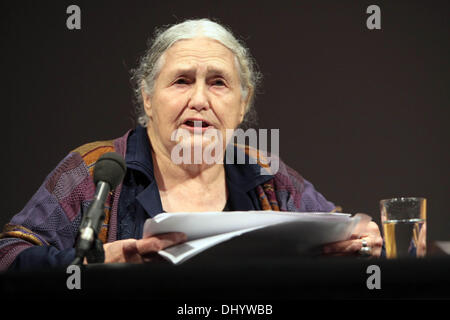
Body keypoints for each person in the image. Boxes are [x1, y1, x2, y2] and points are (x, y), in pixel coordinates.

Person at [0, 19, 383, 270]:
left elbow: (343, 233)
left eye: (218, 83)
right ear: (148, 99)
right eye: (182, 81)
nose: (199, 99)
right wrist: (93, 265)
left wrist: (361, 243)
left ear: (242, 105)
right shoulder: (94, 169)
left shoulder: (267, 173)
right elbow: (8, 256)